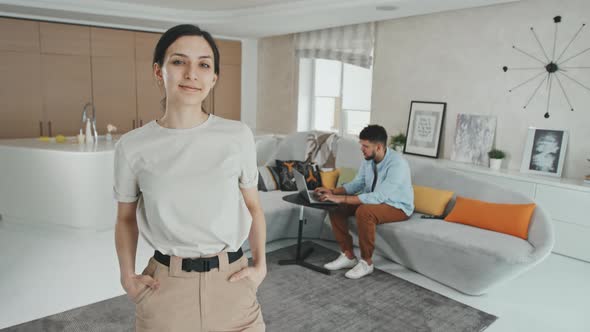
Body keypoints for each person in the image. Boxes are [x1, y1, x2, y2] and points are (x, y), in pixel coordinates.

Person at [114, 24, 266, 332]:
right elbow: (125, 219)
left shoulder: (237, 135)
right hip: (165, 289)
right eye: (179, 61)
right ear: (159, 71)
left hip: (232, 283)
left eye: (204, 64)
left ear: (214, 78)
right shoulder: (132, 146)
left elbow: (254, 207)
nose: (191, 73)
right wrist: (127, 276)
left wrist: (260, 266)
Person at [315, 125, 414, 279]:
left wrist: (340, 197)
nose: (362, 149)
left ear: (379, 147)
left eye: (365, 146)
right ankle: (348, 255)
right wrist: (333, 192)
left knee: (364, 211)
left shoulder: (397, 165)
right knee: (336, 206)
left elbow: (379, 197)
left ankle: (366, 263)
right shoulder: (369, 159)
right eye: (361, 145)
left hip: (397, 206)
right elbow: (357, 184)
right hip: (374, 201)